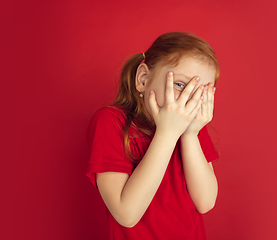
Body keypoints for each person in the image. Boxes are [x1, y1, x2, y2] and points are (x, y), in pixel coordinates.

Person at [86, 32, 220, 240]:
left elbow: (205, 202)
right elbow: (126, 213)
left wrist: (190, 134)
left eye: (199, 93)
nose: (188, 99)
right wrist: (167, 133)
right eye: (180, 85)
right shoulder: (110, 121)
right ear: (143, 78)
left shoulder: (193, 128)